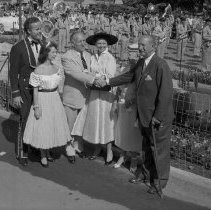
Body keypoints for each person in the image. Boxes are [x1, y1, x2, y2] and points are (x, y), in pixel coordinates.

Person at [98, 35, 173, 196]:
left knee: (158, 151)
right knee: (146, 148)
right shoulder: (141, 63)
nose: (140, 49)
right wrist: (108, 82)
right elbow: (127, 76)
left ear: (153, 46)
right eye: (139, 45)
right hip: (144, 116)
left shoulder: (160, 65)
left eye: (144, 46)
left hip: (157, 118)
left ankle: (159, 183)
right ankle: (145, 174)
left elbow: (166, 94)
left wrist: (158, 117)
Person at [23, 42, 75, 167]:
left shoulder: (58, 68)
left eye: (56, 52)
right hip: (42, 99)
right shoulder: (38, 70)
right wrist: (36, 107)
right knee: (43, 126)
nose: (55, 54)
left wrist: (60, 99)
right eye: (53, 52)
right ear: (45, 53)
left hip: (55, 99)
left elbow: (60, 86)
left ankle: (50, 150)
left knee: (53, 125)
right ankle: (43, 154)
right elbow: (35, 90)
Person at [71, 32, 118, 165]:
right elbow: (89, 73)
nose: (101, 45)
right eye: (99, 43)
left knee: (106, 121)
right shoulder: (93, 57)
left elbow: (110, 75)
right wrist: (91, 76)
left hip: (105, 94)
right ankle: (97, 148)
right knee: (95, 120)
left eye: (104, 43)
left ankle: (109, 150)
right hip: (94, 93)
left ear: (107, 44)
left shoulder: (110, 58)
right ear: (95, 45)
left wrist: (95, 76)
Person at [9, 17, 43, 166]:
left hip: (41, 89)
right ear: (28, 31)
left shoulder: (43, 44)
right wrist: (15, 93)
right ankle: (22, 151)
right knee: (24, 119)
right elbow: (12, 72)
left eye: (40, 28)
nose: (40, 31)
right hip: (25, 88)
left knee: (38, 119)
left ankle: (34, 146)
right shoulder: (18, 47)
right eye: (36, 29)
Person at [61, 31, 96, 158]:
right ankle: (68, 145)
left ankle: (78, 143)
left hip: (86, 96)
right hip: (72, 96)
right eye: (80, 41)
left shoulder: (88, 55)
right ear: (73, 43)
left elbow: (91, 71)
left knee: (81, 123)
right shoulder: (66, 56)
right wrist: (94, 79)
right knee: (70, 123)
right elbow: (76, 73)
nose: (83, 43)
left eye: (84, 41)